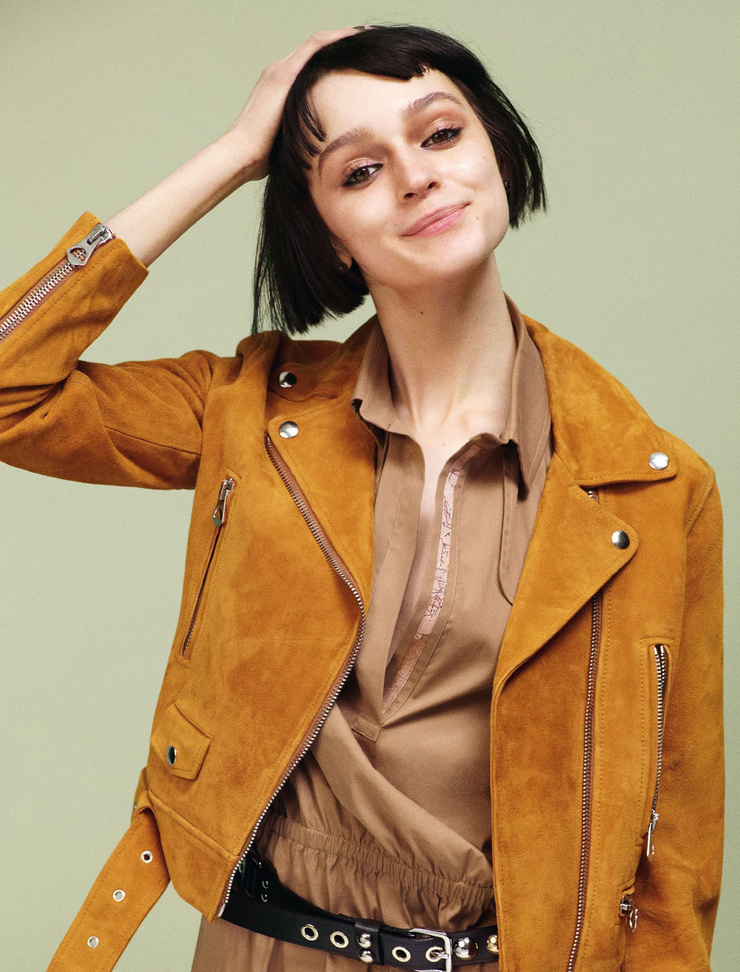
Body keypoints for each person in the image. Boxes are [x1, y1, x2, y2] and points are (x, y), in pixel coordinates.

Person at [0, 23, 724, 972]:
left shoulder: (652, 487)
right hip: (258, 947)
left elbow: (676, 849)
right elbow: (11, 389)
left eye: (440, 134)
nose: (417, 178)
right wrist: (235, 155)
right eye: (359, 172)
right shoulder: (250, 411)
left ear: (498, 153)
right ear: (328, 238)